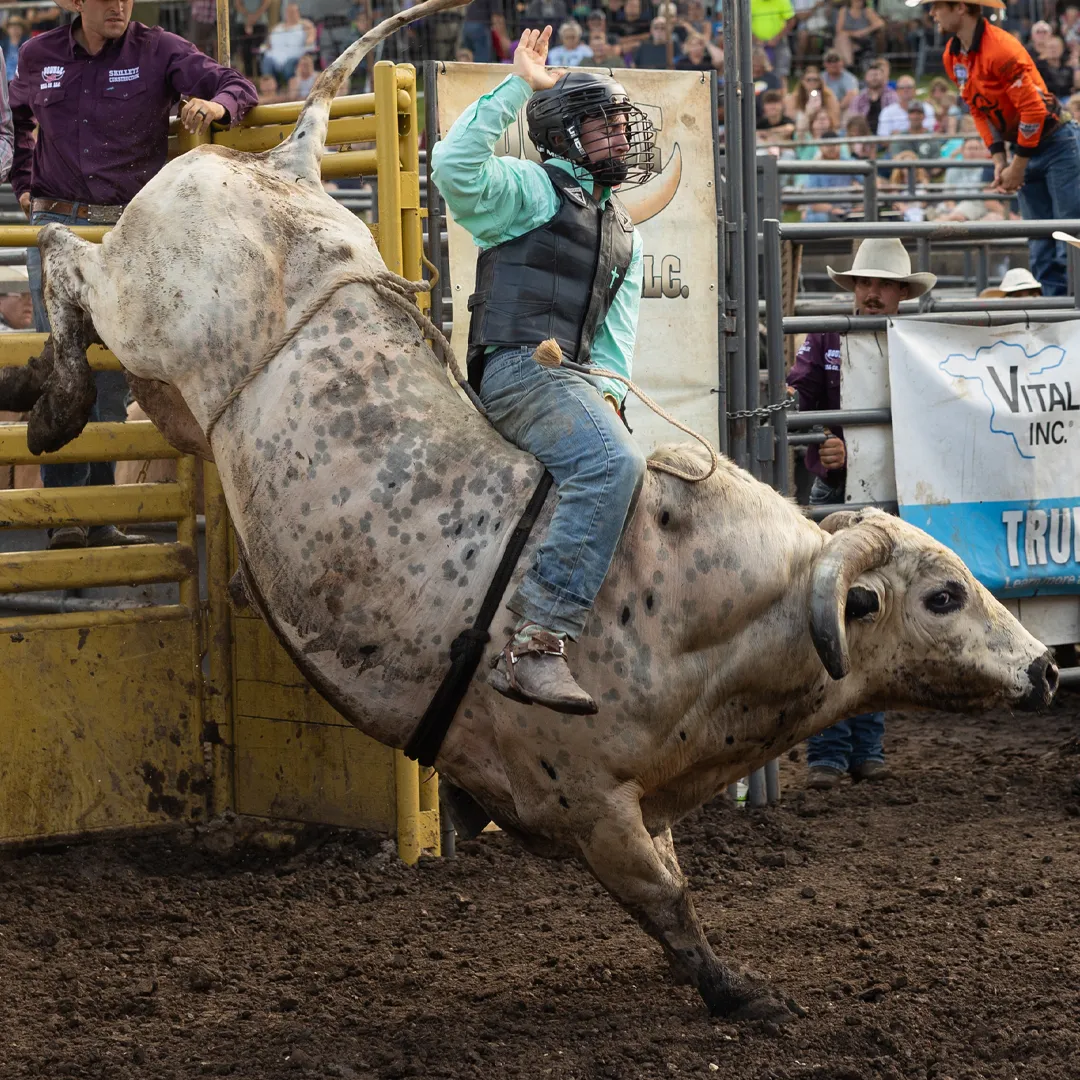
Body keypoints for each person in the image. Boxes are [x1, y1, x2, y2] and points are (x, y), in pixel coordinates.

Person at [430, 26, 655, 714]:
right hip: (516, 371)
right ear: (564, 135)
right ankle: (535, 643)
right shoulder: (529, 188)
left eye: (621, 123)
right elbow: (453, 167)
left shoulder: (626, 232)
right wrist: (518, 85)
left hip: (570, 383)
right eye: (603, 124)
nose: (620, 135)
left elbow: (612, 346)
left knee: (632, 471)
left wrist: (609, 398)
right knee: (613, 465)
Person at [10, 0, 257, 550]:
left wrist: (216, 107)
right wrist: (24, 185)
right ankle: (68, 515)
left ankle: (97, 515)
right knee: (64, 367)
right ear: (78, 2)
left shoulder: (159, 49)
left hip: (125, 234)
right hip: (59, 225)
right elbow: (19, 123)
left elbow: (235, 85)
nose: (119, 4)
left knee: (110, 377)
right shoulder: (38, 55)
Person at [788, 239, 937, 789]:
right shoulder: (829, 335)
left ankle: (859, 746)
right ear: (854, 287)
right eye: (865, 283)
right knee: (836, 611)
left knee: (877, 616)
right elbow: (798, 404)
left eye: (883, 285)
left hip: (894, 491)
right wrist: (821, 441)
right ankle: (833, 749)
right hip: (841, 491)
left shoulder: (916, 340)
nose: (872, 293)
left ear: (901, 292)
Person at [921, 0, 1080, 296]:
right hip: (1028, 144)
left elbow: (1033, 110)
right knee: (1040, 243)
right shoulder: (953, 56)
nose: (932, 13)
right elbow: (977, 108)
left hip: (1055, 142)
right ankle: (1055, 312)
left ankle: (1073, 309)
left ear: (960, 8)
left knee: (1068, 238)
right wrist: (999, 159)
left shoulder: (1001, 48)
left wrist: (1015, 166)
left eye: (937, 5)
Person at [799, 131, 860, 221]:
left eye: (834, 144)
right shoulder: (815, 168)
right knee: (817, 218)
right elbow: (814, 204)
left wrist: (860, 206)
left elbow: (869, 181)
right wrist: (833, 209)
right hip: (825, 214)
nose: (831, 148)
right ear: (820, 147)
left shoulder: (850, 163)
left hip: (848, 212)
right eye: (827, 145)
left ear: (840, 146)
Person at [261, 2, 316, 83]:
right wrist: (265, 47)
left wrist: (307, 27)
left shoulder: (304, 26)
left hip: (294, 56)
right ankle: (271, 87)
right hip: (274, 57)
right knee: (266, 61)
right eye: (288, 12)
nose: (290, 14)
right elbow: (267, 43)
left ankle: (290, 87)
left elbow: (310, 40)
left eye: (293, 12)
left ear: (298, 13)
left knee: (289, 65)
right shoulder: (277, 27)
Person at [785, 66, 842, 132]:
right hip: (801, 129)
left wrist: (820, 112)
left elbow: (835, 119)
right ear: (802, 81)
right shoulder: (794, 97)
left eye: (815, 80)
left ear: (820, 82)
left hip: (824, 129)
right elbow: (790, 119)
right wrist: (807, 114)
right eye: (808, 80)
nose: (812, 82)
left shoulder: (828, 96)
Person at [849, 59, 897, 136]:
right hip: (863, 135)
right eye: (871, 75)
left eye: (877, 75)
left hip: (887, 134)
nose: (874, 78)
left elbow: (896, 117)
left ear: (883, 77)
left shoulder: (892, 95)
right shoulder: (859, 98)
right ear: (865, 78)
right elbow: (853, 118)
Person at [833, 0, 885, 69]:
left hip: (863, 41)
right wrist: (854, 34)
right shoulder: (844, 11)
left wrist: (864, 31)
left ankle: (848, 68)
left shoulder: (867, 11)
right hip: (848, 41)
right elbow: (839, 31)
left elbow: (880, 23)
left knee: (838, 46)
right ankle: (849, 66)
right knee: (841, 39)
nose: (858, 1)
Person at [822, 49, 860, 114]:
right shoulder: (821, 77)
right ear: (824, 64)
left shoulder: (850, 78)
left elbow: (852, 94)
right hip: (824, 109)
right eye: (829, 61)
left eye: (836, 60)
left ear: (842, 62)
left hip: (843, 109)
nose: (833, 64)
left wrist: (837, 109)